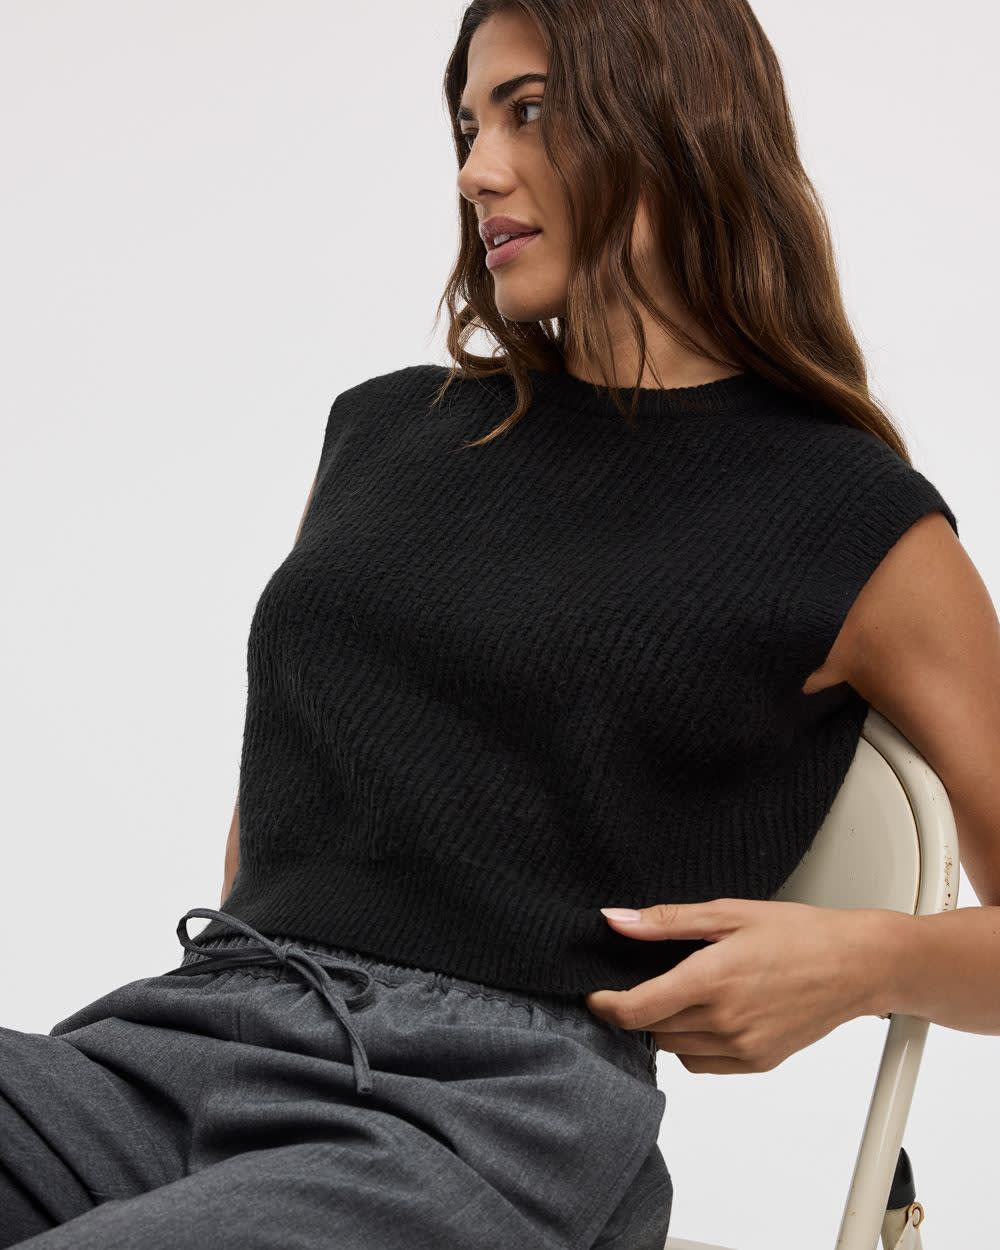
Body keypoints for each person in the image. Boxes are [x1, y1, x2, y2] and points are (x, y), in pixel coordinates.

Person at [4, 2, 988, 1248]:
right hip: (189, 1034)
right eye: (468, 126)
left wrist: (864, 963)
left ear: (677, 117)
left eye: (528, 111)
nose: (476, 169)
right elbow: (274, 833)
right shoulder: (383, 430)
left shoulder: (856, 520)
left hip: (488, 1113)